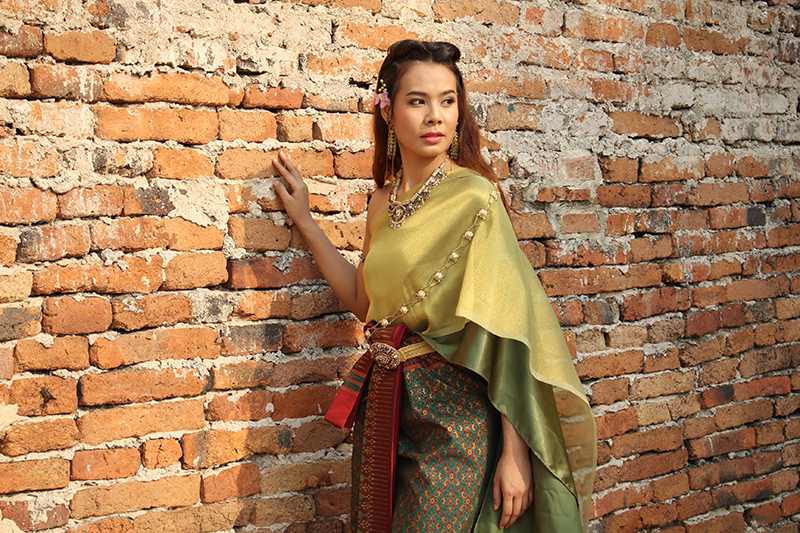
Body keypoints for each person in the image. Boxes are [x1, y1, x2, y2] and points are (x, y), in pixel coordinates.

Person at [273, 40, 596, 533]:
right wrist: (307, 223)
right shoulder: (381, 203)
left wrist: (515, 454)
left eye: (447, 100)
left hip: (454, 416)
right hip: (386, 405)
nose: (435, 116)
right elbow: (364, 302)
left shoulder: (475, 197)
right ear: (387, 110)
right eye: (417, 101)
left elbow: (509, 330)